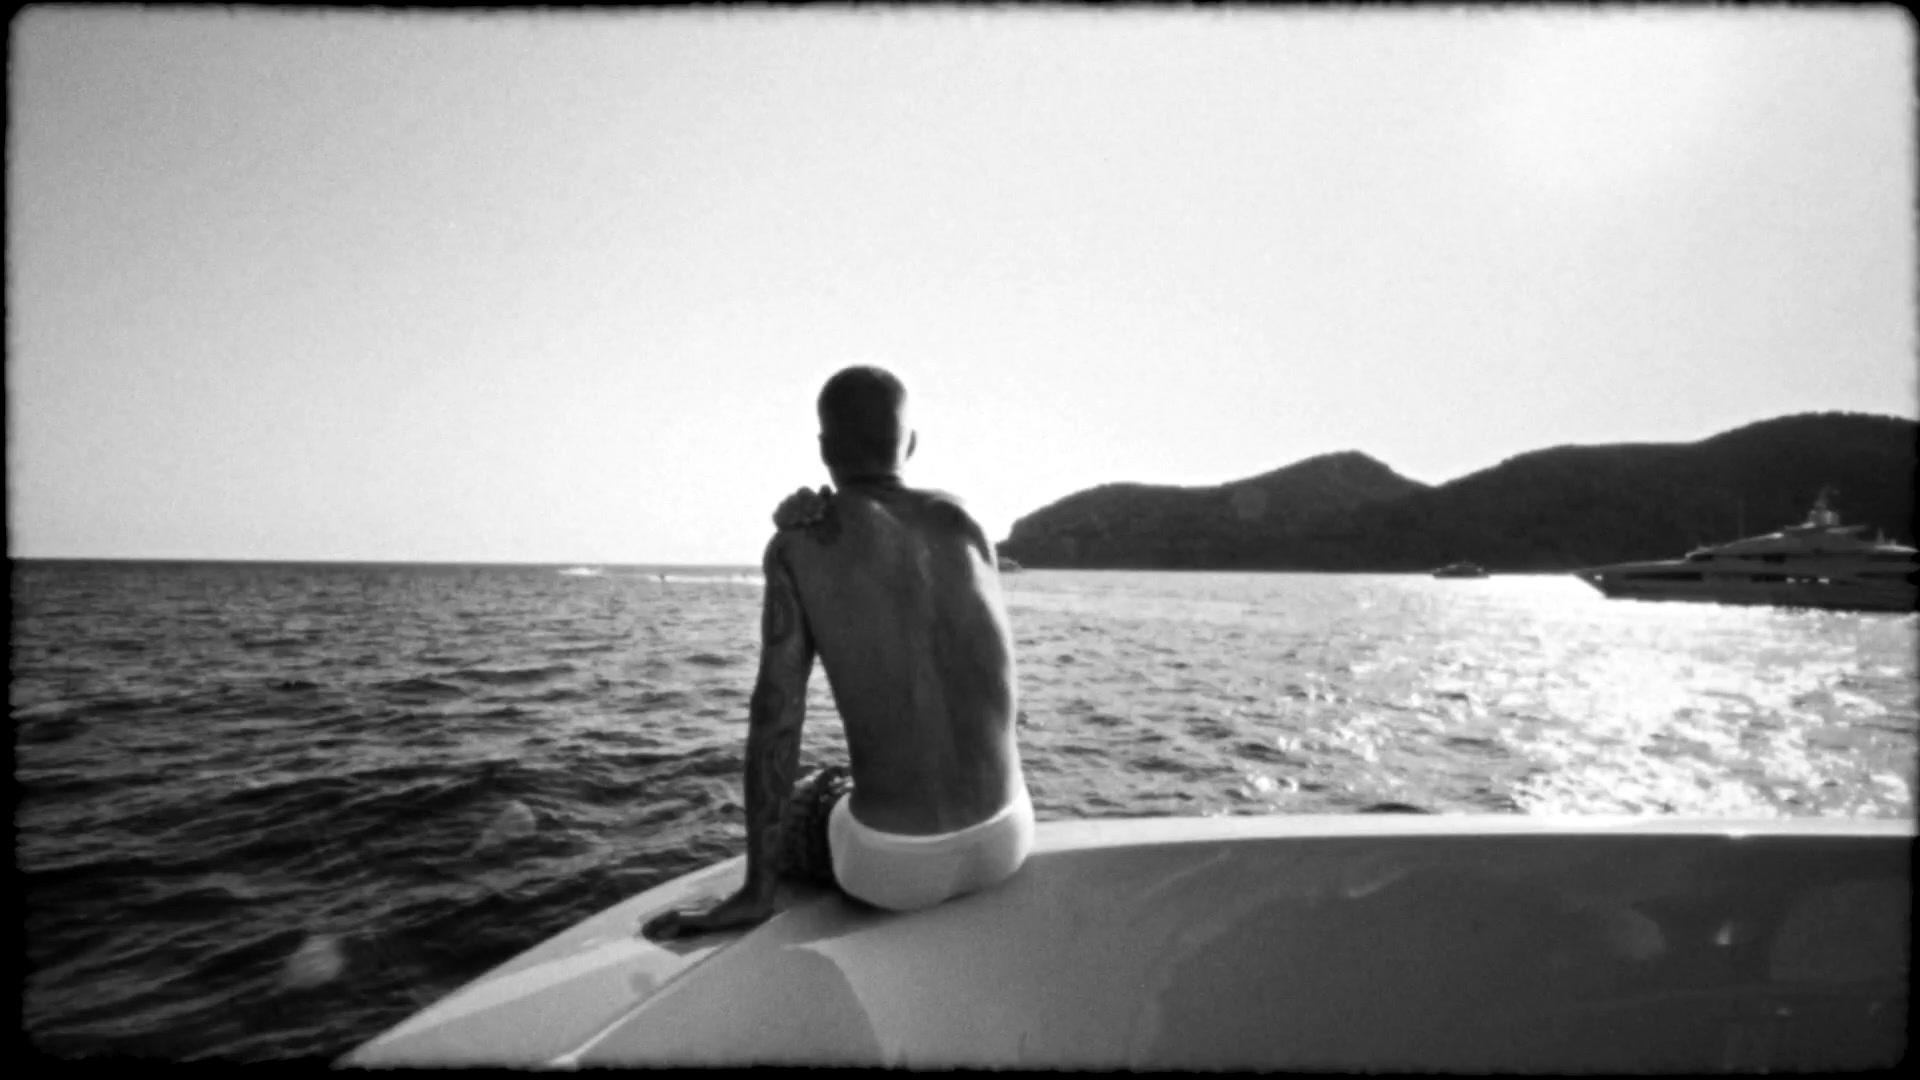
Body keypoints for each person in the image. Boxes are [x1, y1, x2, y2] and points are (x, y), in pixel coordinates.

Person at [640, 366, 1032, 940]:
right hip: (1008, 836)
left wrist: (756, 891)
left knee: (812, 794)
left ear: (824, 449)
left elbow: (776, 720)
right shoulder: (966, 522)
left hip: (896, 867)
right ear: (911, 443)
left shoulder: (797, 547)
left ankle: (766, 887)